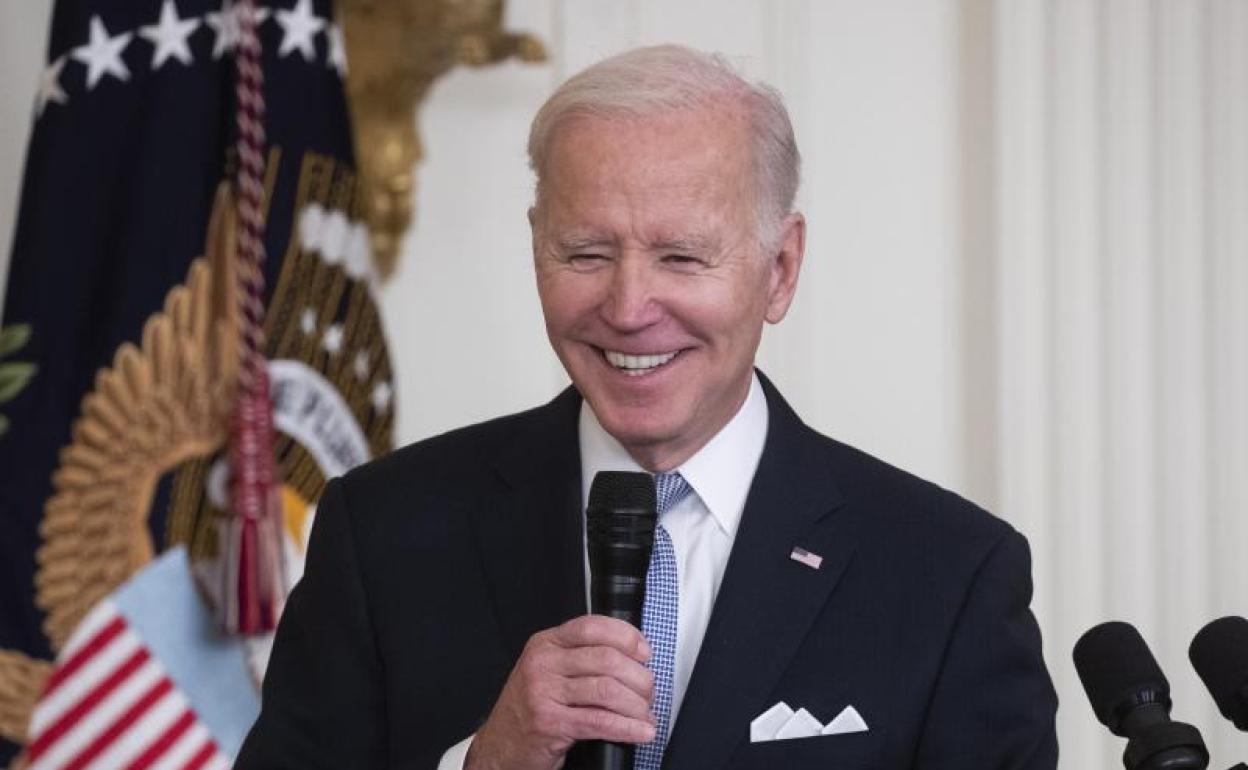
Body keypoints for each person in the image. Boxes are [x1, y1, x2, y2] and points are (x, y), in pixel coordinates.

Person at [235, 45, 1058, 769]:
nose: (629, 307)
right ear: (536, 248)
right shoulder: (381, 532)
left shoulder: (948, 575)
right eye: (586, 253)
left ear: (781, 268)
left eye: (682, 256)